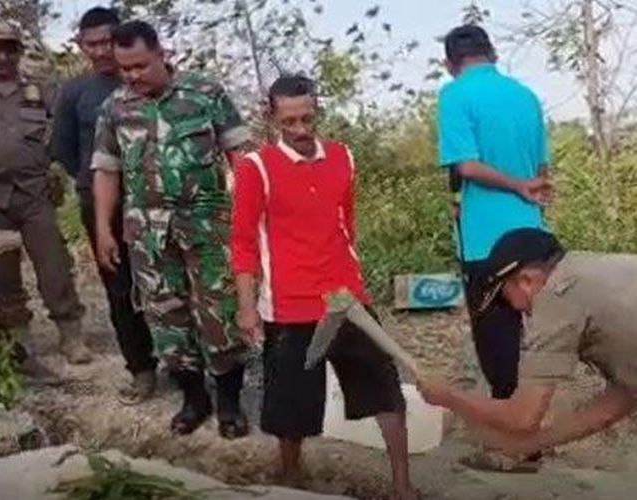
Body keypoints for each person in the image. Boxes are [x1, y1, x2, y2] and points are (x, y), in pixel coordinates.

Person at [231, 75, 417, 499]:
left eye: (307, 119)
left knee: (385, 391)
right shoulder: (255, 167)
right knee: (291, 411)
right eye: (289, 121)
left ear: (318, 111)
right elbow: (242, 242)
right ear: (271, 116)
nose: (299, 130)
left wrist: (353, 276)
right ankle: (292, 481)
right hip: (290, 307)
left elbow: (345, 224)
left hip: (349, 299)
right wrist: (246, 306)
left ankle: (403, 486)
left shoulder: (342, 157)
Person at [91, 20, 253, 438]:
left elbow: (241, 156)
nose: (132, 75)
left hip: (207, 225)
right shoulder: (114, 108)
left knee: (220, 312)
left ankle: (230, 402)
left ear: (162, 53)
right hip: (147, 233)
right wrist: (104, 230)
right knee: (167, 317)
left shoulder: (205, 94)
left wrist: (252, 219)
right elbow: (106, 171)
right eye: (124, 68)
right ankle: (193, 398)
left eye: (140, 65)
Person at [437, 24, 552, 467]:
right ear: (493, 54)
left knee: (497, 343)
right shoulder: (525, 96)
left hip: (488, 242)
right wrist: (528, 187)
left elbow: (465, 164)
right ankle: (536, 431)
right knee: (536, 341)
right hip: (534, 235)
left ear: (451, 64)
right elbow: (541, 168)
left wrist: (515, 185)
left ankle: (520, 446)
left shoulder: (456, 95)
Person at [419, 228, 637, 461]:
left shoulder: (556, 296)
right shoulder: (595, 270)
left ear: (526, 280)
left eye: (505, 297)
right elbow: (624, 397)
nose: (516, 309)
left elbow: (522, 418)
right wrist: (529, 444)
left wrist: (449, 397)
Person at [0, 20, 91, 365]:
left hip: (34, 193)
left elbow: (69, 123)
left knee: (54, 264)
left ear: (19, 51)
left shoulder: (42, 89)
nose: (2, 55)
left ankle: (70, 333)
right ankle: (18, 340)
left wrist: (59, 163)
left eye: (9, 47)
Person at [53, 7, 156, 402]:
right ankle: (141, 370)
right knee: (120, 289)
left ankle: (189, 371)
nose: (99, 51)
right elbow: (62, 148)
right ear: (81, 46)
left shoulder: (144, 81)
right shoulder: (75, 92)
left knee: (169, 287)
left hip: (155, 202)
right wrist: (92, 182)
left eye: (106, 42)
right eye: (90, 43)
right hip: (102, 207)